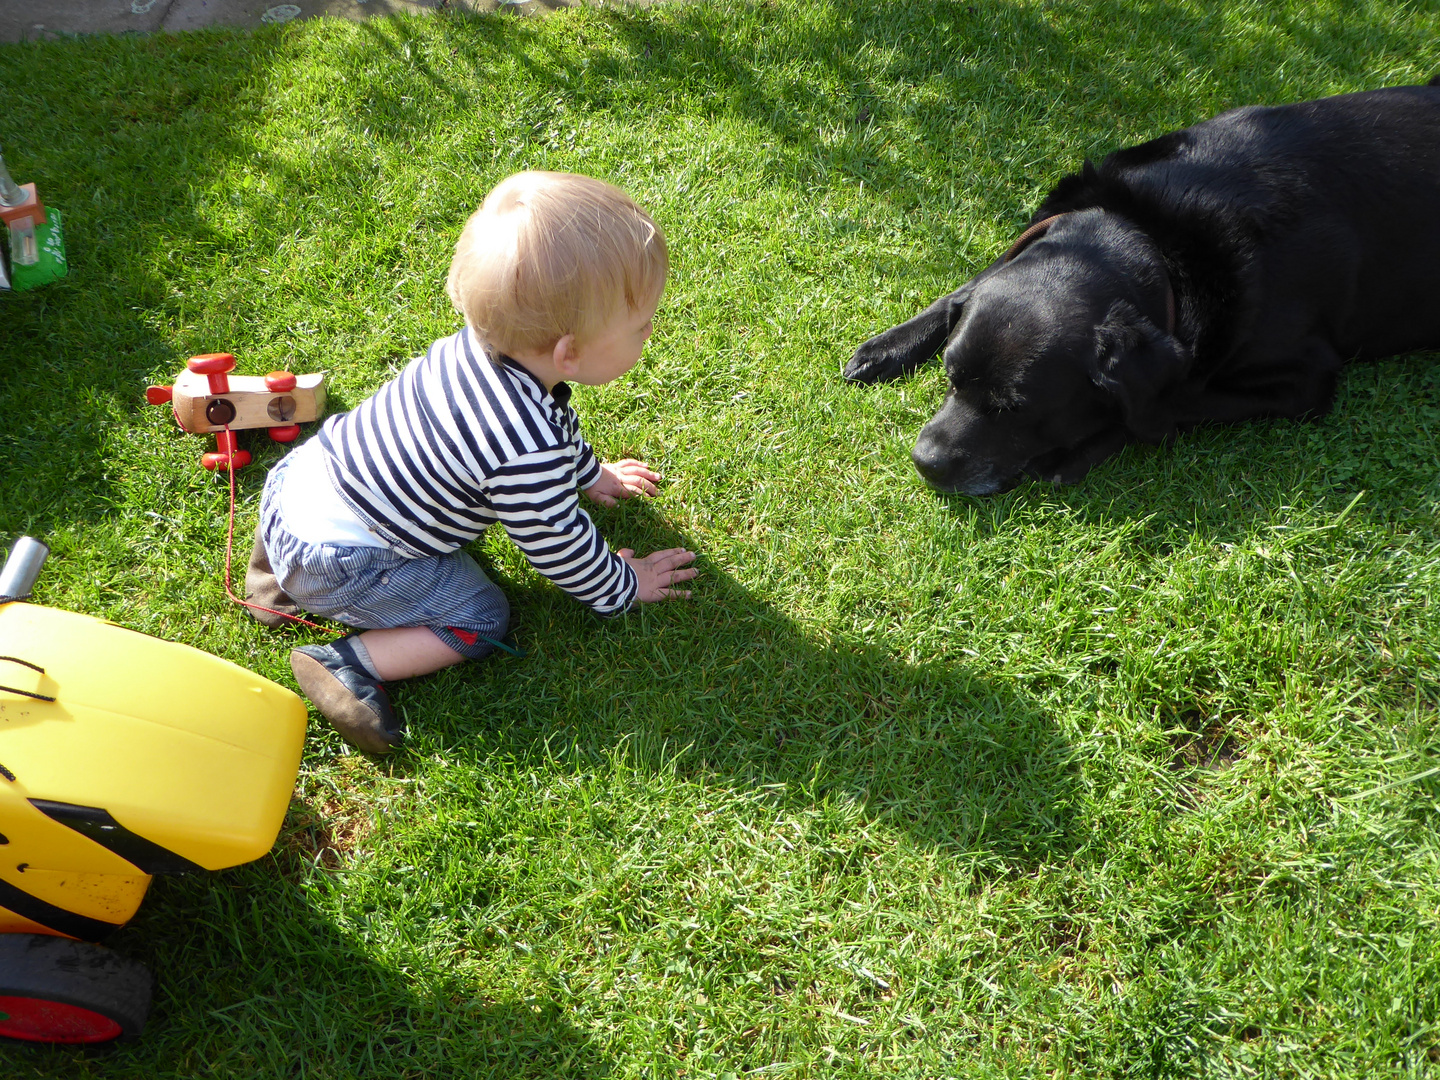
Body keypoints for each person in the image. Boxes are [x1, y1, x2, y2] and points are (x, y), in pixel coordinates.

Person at [245, 171, 698, 754]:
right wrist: (621, 585)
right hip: (346, 561)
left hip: (296, 486)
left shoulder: (477, 349)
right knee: (483, 616)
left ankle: (274, 579)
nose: (651, 332)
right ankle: (344, 661)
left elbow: (556, 432)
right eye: (641, 327)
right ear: (569, 352)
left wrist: (592, 474)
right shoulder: (521, 442)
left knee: (325, 502)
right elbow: (555, 543)